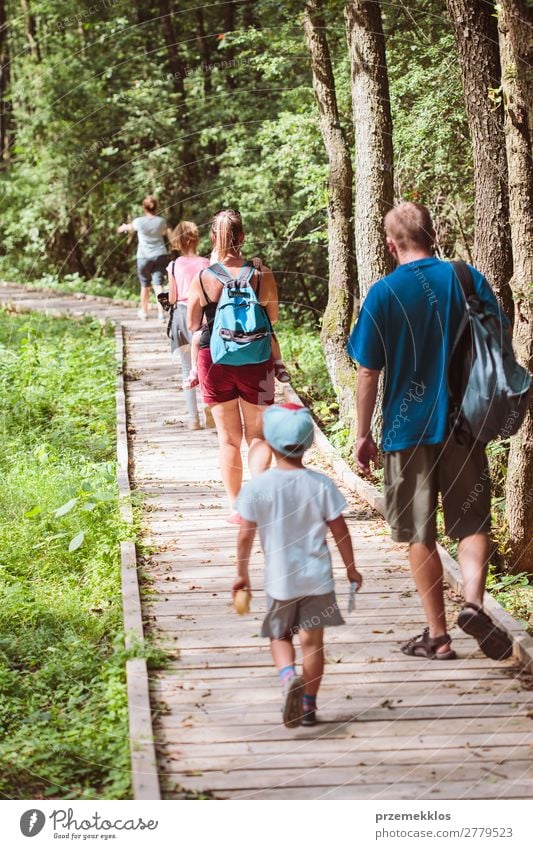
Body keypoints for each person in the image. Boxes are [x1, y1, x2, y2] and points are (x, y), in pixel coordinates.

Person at [347, 201, 513, 662]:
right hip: (466, 425)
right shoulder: (466, 278)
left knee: (418, 532)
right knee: (472, 521)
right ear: (433, 233)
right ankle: (475, 604)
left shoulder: (383, 293)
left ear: (389, 243)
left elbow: (367, 372)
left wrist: (364, 435)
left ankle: (438, 636)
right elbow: (500, 338)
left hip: (407, 430)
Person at [232, 404, 363, 727]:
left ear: (271, 445)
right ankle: (308, 705)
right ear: (307, 444)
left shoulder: (259, 488)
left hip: (280, 581)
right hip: (317, 580)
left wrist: (241, 574)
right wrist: (351, 568)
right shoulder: (320, 484)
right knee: (313, 643)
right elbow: (340, 530)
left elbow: (245, 535)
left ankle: (288, 675)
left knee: (279, 636)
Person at [187, 209, 279, 523]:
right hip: (257, 358)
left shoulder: (202, 277)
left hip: (214, 360)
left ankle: (237, 507)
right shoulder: (259, 273)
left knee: (228, 439)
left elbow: (193, 324)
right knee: (258, 435)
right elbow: (274, 317)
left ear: (213, 238)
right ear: (242, 238)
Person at [166, 221, 210, 430]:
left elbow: (173, 298)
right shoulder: (206, 263)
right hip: (204, 317)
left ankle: (193, 420)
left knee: (187, 368)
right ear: (196, 238)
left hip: (182, 315)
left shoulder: (174, 265)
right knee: (207, 366)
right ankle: (210, 408)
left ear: (178, 241)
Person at [118, 195, 168, 321]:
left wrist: (123, 227)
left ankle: (144, 312)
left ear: (144, 207)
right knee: (158, 285)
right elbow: (164, 233)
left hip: (144, 257)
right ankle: (161, 314)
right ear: (156, 207)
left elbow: (128, 228)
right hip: (160, 255)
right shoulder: (161, 221)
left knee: (145, 285)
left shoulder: (138, 221)